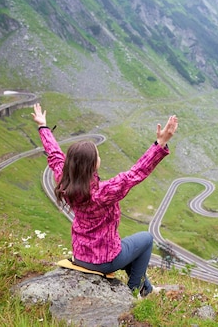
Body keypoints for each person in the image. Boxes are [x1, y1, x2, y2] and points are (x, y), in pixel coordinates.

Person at [31, 103, 178, 297]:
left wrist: (43, 127)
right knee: (146, 239)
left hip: (80, 256)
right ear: (93, 165)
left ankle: (147, 288)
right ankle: (135, 292)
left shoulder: (65, 182)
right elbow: (136, 173)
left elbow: (55, 156)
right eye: (97, 155)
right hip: (105, 260)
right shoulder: (103, 192)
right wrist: (159, 145)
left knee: (130, 247)